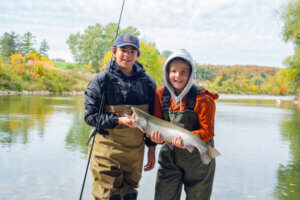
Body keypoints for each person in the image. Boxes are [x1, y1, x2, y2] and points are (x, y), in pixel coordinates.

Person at [84, 33, 156, 200]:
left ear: (137, 55)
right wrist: (118, 120)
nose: (127, 55)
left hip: (134, 154)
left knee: (130, 195)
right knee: (110, 196)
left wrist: (151, 148)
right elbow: (90, 117)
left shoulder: (148, 83)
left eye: (133, 51)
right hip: (106, 151)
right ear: (114, 51)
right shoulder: (101, 81)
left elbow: (152, 120)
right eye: (123, 50)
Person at [150, 49, 219, 200]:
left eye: (183, 71)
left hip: (198, 161)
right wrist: (157, 139)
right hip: (169, 158)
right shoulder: (160, 94)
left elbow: (208, 131)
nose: (178, 76)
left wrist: (186, 141)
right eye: (173, 71)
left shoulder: (203, 98)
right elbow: (158, 126)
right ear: (167, 72)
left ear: (190, 73)